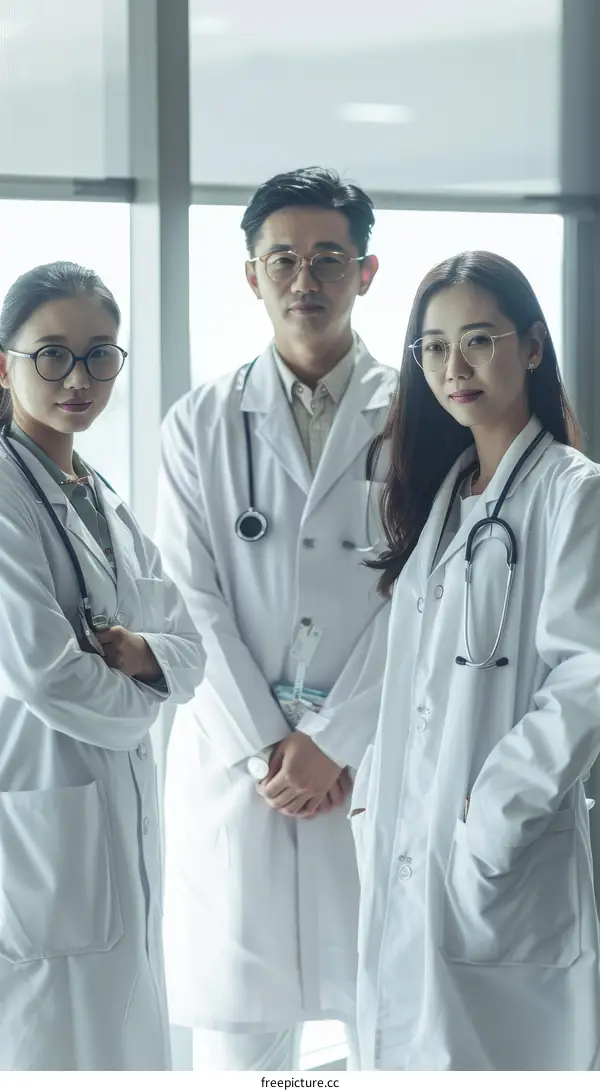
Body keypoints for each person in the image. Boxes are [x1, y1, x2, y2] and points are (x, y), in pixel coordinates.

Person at [156, 167, 395, 1071]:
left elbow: (417, 597)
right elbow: (187, 601)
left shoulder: (418, 417)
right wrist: (269, 747)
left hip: (362, 768)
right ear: (250, 275)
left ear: (365, 273)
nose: (307, 280)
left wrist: (334, 738)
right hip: (241, 774)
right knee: (242, 1053)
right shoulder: (198, 423)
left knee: (383, 1028)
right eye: (283, 258)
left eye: (329, 258)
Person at [353, 249, 600, 1071]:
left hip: (500, 858)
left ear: (531, 346)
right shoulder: (448, 499)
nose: (452, 367)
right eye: (431, 347)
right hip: (415, 853)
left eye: (478, 340)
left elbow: (586, 678)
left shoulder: (574, 491)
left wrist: (492, 814)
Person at [0, 261, 206, 1071]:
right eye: (51, 354)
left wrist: (147, 655)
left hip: (109, 817)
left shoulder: (100, 494)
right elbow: (46, 672)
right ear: (5, 362)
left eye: (99, 354)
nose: (77, 378)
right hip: (46, 819)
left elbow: (188, 647)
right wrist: (149, 695)